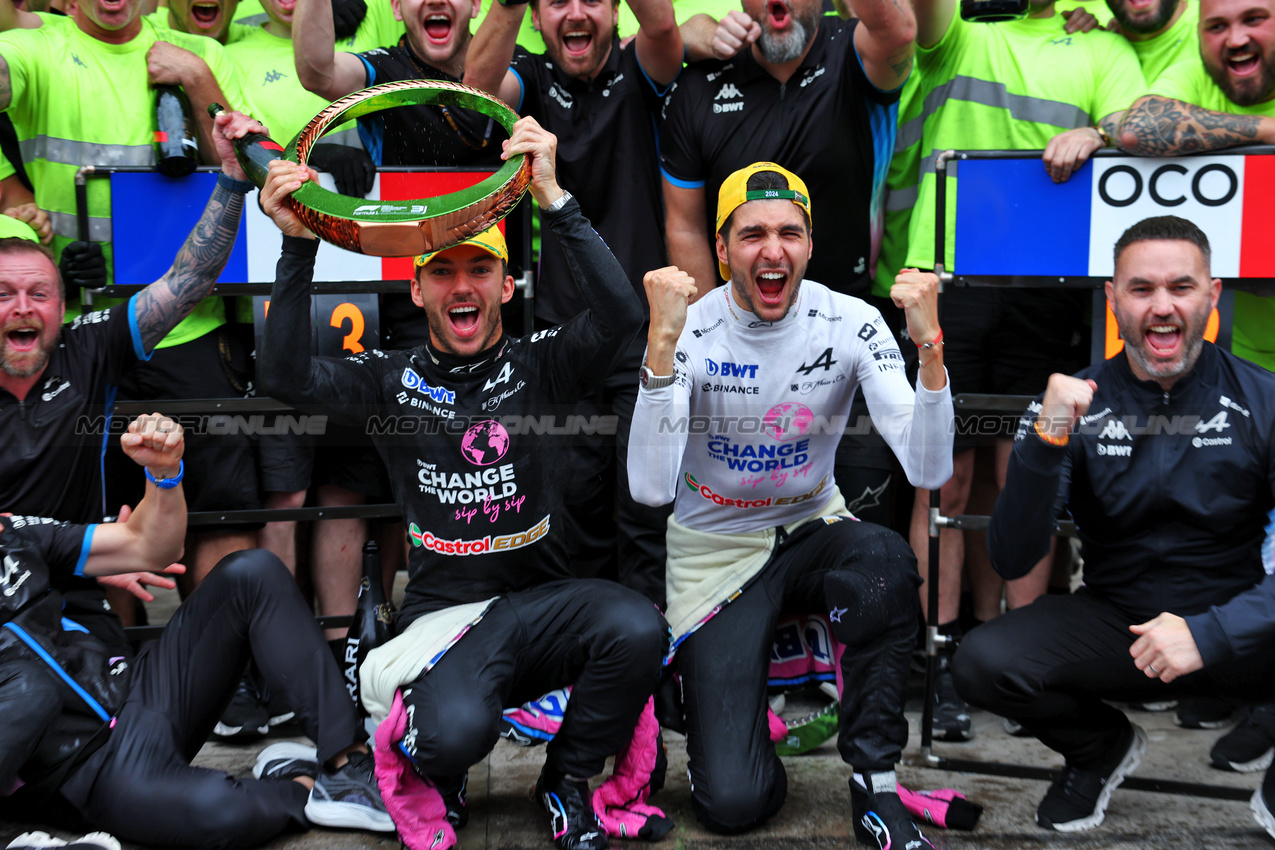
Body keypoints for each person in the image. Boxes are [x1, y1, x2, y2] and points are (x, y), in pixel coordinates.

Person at [257, 116, 668, 850]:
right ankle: (426, 746)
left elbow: (623, 314)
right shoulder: (390, 377)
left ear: (506, 286)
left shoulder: (543, 363)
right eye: (442, 272)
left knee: (637, 626)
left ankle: (565, 780)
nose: (461, 286)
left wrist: (553, 198)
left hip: (541, 610)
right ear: (416, 291)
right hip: (448, 624)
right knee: (450, 739)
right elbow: (285, 378)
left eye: (479, 269)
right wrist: (296, 246)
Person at [627, 162, 953, 848]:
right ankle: (741, 717)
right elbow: (650, 490)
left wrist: (929, 348)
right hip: (716, 551)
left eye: (788, 233)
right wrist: (659, 347)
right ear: (720, 251)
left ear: (809, 244)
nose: (771, 251)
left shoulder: (853, 323)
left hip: (811, 527)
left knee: (884, 562)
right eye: (751, 235)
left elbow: (928, 465)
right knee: (733, 804)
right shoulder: (690, 328)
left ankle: (875, 777)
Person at [951, 215, 1275, 836]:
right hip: (1116, 622)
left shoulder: (1262, 400)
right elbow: (1012, 558)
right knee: (981, 660)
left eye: (1181, 287)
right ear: (1112, 299)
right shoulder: (1073, 399)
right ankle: (1098, 748)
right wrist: (1044, 442)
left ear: (1213, 295)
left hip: (1236, 624)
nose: (1162, 307)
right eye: (1141, 289)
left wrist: (1210, 633)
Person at [891, 0, 1147, 742]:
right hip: (949, 277)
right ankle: (939, 662)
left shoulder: (1093, 42)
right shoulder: (956, 30)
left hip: (1046, 285)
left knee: (1027, 467)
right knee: (946, 477)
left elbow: (1136, 119)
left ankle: (1024, 658)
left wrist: (1096, 133)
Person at [0, 413, 393, 847]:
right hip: (87, 773)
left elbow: (151, 546)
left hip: (142, 691)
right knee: (218, 810)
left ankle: (346, 762)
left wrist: (163, 472)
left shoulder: (12, 533)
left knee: (251, 574)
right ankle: (304, 786)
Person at [0, 110, 262, 658]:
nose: (22, 307)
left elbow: (188, 280)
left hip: (74, 601)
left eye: (38, 292)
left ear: (60, 302)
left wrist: (234, 180)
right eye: (3, 293)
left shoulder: (88, 344)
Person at [462, 0, 686, 598]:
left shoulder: (642, 64)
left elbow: (663, 28)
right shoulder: (532, 77)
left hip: (646, 340)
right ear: (537, 17)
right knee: (576, 514)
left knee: (645, 512)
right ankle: (596, 658)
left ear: (615, 11)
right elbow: (474, 92)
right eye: (557, 1)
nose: (576, 13)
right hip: (568, 339)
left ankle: (652, 661)